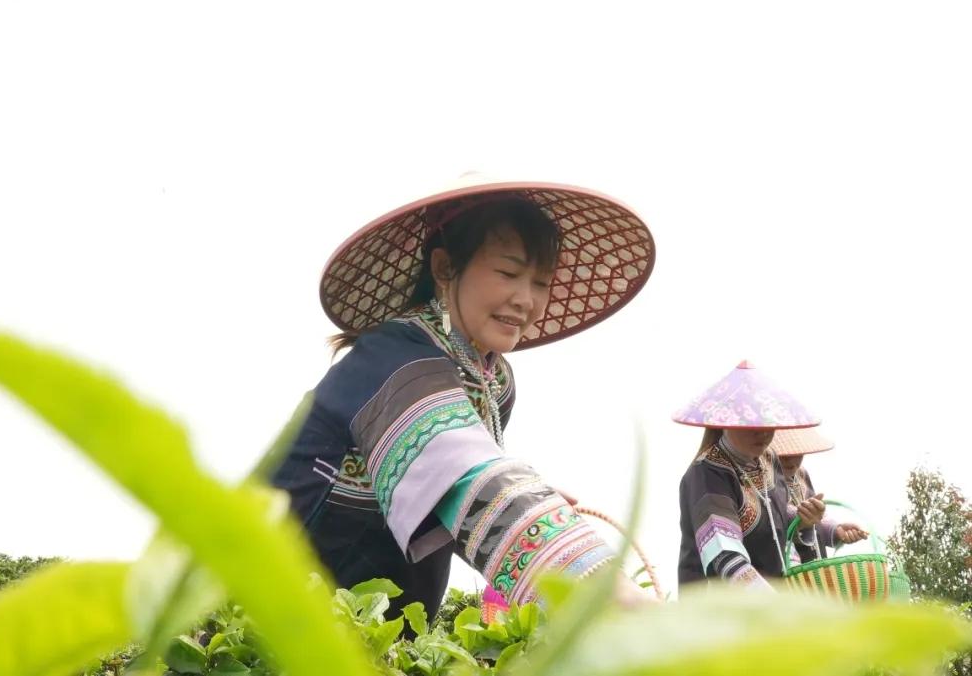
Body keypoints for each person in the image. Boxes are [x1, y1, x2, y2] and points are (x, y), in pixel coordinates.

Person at [270, 173, 656, 614]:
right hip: (276, 616)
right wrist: (615, 597)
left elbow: (453, 498)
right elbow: (473, 482)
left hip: (381, 630)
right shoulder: (392, 362)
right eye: (508, 272)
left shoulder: (495, 383)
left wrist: (534, 502)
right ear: (444, 268)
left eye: (541, 283)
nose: (525, 300)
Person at [674, 361, 827, 590]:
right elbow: (724, 555)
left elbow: (778, 520)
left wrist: (803, 520)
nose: (763, 434)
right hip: (720, 613)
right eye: (751, 425)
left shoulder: (769, 460)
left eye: (768, 424)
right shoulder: (707, 472)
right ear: (725, 422)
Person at [772, 427, 869, 563]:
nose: (792, 458)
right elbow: (775, 515)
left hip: (812, 569)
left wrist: (836, 530)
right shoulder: (761, 477)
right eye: (784, 451)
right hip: (779, 568)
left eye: (797, 450)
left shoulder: (801, 475)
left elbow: (817, 520)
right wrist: (802, 516)